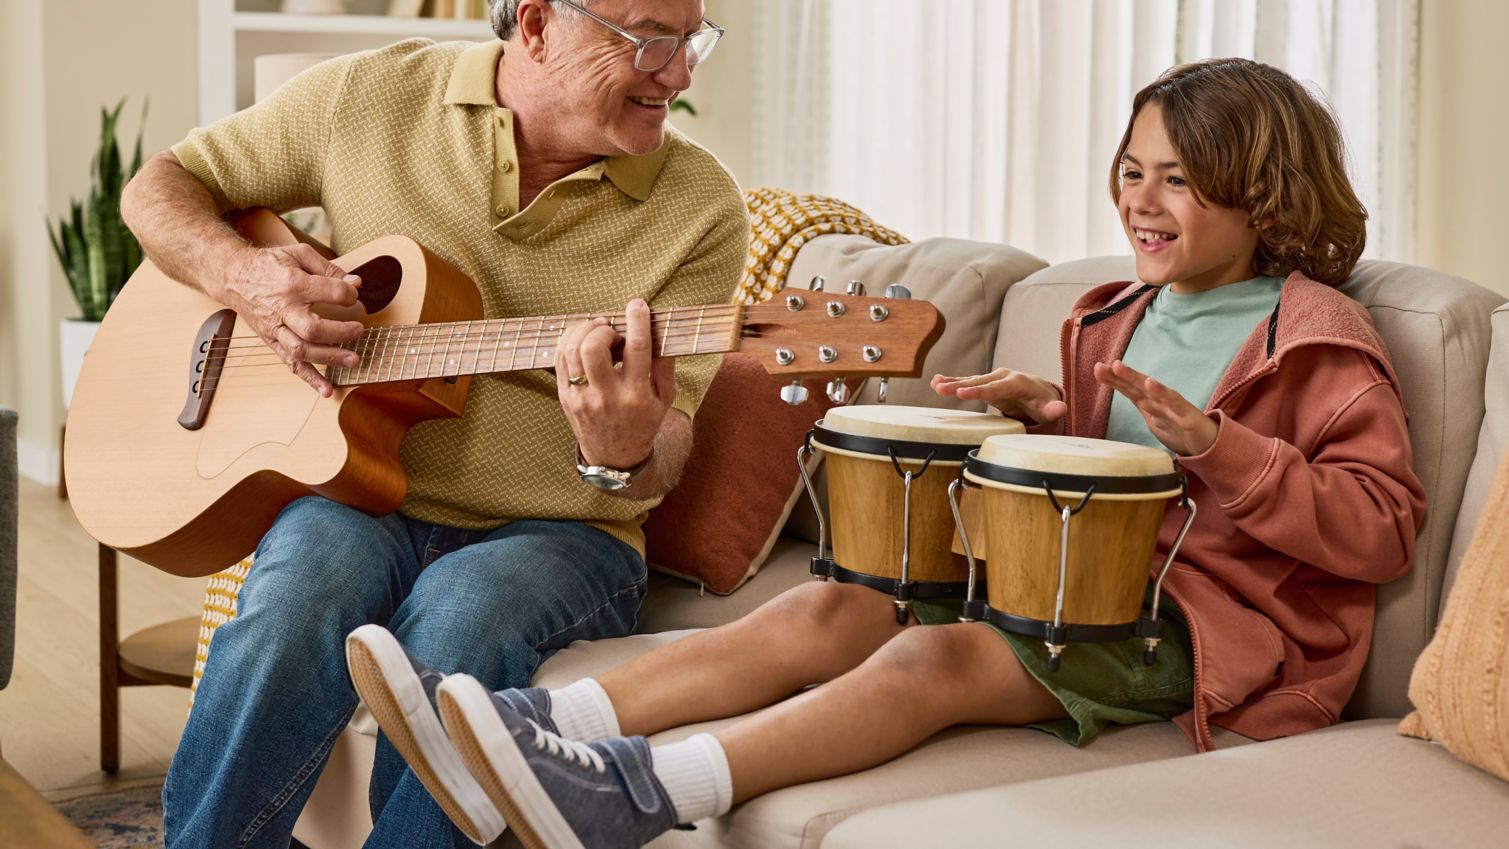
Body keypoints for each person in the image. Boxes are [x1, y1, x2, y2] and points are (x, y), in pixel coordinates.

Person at [347, 57, 1428, 848]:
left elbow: (1380, 529)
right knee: (837, 602)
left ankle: (636, 792)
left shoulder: (1318, 335)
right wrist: (1043, 425)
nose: (1139, 201)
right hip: (1084, 588)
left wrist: (1227, 449)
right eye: (1132, 170)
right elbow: (1122, 481)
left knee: (930, 657)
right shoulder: (1112, 315)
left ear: (1267, 195)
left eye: (1179, 181)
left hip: (1206, 632)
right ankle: (522, 728)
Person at [118, 1, 745, 847]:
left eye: (691, 39)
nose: (679, 73)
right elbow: (161, 186)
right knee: (292, 602)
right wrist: (245, 277)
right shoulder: (371, 97)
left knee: (462, 620)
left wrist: (623, 449)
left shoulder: (700, 207)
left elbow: (665, 450)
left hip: (562, 532)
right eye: (649, 41)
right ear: (534, 25)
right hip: (359, 492)